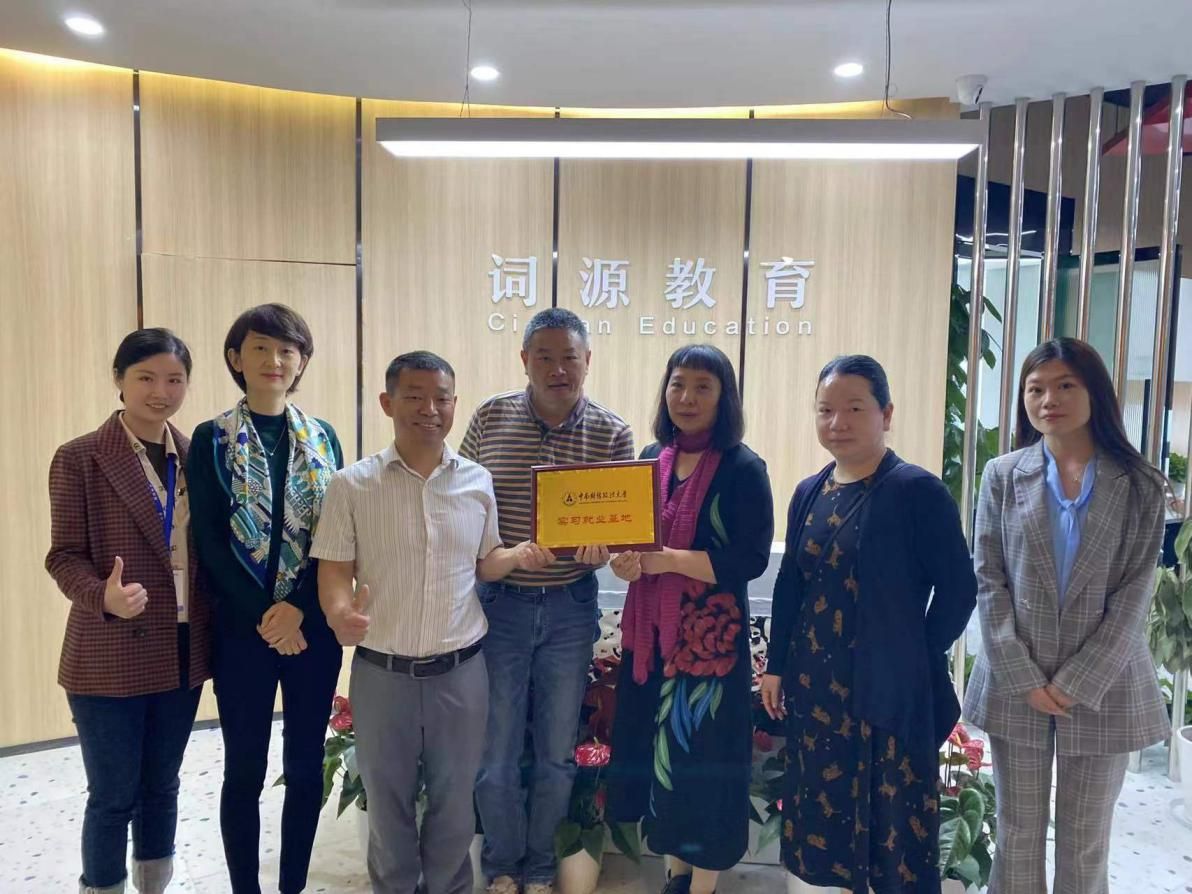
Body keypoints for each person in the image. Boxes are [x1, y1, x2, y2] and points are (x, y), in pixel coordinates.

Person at [313, 351, 554, 894]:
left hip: (460, 673)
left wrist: (517, 556)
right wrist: (339, 612)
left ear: (454, 404)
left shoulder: (476, 481)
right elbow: (334, 570)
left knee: (455, 804)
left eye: (441, 398)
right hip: (383, 673)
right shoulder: (352, 485)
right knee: (388, 805)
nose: (430, 409)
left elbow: (485, 562)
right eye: (415, 396)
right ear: (387, 402)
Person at [760, 354, 976, 894]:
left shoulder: (917, 492)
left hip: (888, 696)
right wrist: (776, 667)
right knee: (825, 825)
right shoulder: (809, 491)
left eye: (855, 408)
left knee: (893, 830)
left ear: (887, 414)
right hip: (818, 695)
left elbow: (959, 589)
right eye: (825, 410)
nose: (838, 422)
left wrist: (916, 654)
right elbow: (790, 585)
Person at [963, 338, 1169, 894]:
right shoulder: (1002, 475)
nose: (1048, 399)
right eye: (1035, 389)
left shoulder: (1140, 484)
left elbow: (1134, 593)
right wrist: (1022, 676)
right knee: (1017, 832)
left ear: (1094, 392)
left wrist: (1077, 680)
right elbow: (989, 579)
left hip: (1105, 687)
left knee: (1085, 840)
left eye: (1064, 386)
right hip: (1017, 683)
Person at [460, 307, 634, 894]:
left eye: (570, 358)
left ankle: (540, 868)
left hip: (569, 607)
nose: (558, 369)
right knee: (497, 751)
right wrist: (504, 554)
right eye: (545, 357)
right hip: (500, 604)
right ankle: (502, 865)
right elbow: (463, 504)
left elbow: (621, 530)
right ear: (524, 360)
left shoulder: (612, 433)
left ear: (588, 361)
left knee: (558, 752)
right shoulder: (490, 417)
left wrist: (603, 549)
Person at [46, 328, 212, 894]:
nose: (161, 392)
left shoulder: (198, 457)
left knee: (162, 786)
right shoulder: (80, 458)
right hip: (109, 654)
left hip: (182, 649)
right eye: (146, 378)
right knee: (114, 795)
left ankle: (153, 885)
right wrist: (103, 596)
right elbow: (63, 556)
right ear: (119, 379)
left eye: (174, 380)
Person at [187, 304, 344, 894]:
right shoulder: (211, 439)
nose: (274, 360)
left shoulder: (323, 436)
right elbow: (209, 539)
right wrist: (266, 615)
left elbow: (337, 534)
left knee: (305, 767)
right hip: (242, 631)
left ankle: (292, 885)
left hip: (312, 629)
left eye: (287, 350)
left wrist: (299, 606)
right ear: (236, 358)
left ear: (301, 361)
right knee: (245, 769)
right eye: (260, 348)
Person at [606, 344, 774, 894]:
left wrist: (668, 560)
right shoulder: (651, 457)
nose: (687, 397)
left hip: (709, 650)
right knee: (662, 764)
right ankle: (674, 875)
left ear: (724, 398)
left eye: (703, 386)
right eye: (678, 384)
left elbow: (748, 560)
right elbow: (634, 542)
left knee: (705, 768)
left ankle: (702, 886)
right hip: (652, 639)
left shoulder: (744, 468)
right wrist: (627, 562)